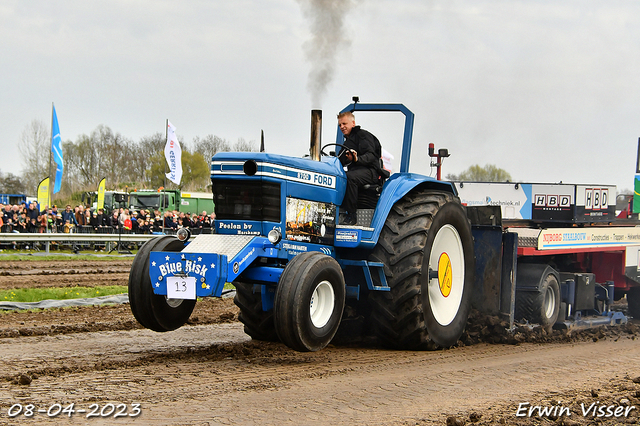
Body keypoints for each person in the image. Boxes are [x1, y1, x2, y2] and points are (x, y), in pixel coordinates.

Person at [336, 111, 383, 225]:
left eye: (344, 124)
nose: (342, 127)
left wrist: (357, 159)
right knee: (338, 177)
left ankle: (351, 216)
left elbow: (371, 156)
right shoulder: (347, 142)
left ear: (353, 123)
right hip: (357, 171)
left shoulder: (363, 136)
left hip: (371, 172)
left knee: (350, 177)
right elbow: (339, 161)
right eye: (340, 125)